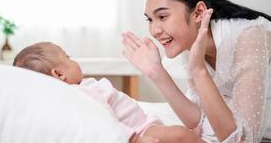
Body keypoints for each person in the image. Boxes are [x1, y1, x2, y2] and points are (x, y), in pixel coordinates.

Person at [121, 0, 271, 143]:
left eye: (162, 17)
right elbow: (197, 119)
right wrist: (157, 73)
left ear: (199, 12)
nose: (154, 30)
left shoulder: (249, 37)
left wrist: (198, 70)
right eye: (150, 19)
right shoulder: (192, 40)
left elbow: (243, 141)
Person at [13, 42, 203, 143]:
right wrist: (134, 139)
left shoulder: (73, 94)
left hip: (142, 126)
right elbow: (103, 118)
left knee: (181, 134)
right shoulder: (80, 92)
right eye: (68, 57)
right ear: (60, 74)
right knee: (180, 135)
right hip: (140, 131)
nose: (73, 60)